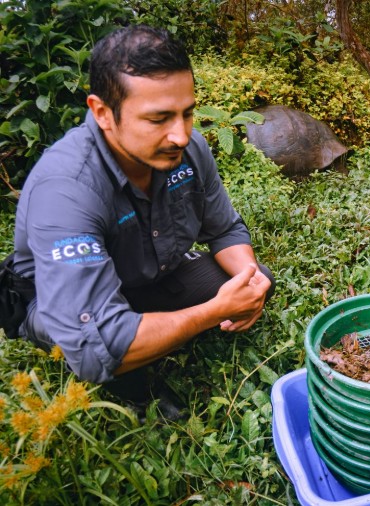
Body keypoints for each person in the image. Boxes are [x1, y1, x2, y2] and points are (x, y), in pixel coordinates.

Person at [10, 25, 275, 414]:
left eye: (187, 114)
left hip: (146, 276)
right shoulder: (66, 188)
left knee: (257, 274)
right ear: (102, 112)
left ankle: (149, 329)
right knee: (99, 346)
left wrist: (248, 285)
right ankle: (136, 374)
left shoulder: (188, 150)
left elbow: (224, 229)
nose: (181, 135)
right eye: (158, 119)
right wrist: (213, 312)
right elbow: (94, 347)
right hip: (60, 298)